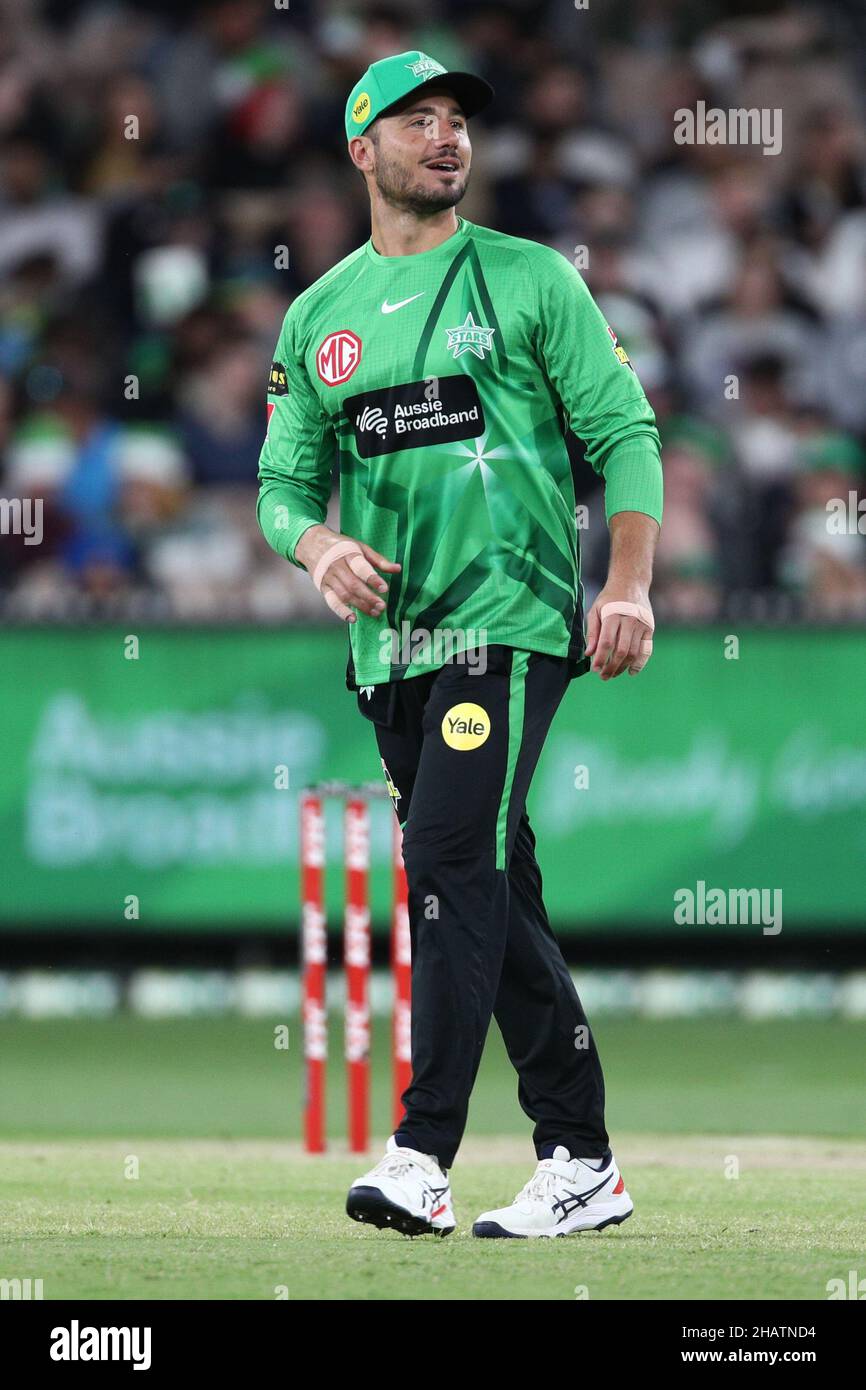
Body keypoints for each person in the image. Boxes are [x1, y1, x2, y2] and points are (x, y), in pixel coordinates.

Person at [257, 51, 662, 1239]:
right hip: (391, 651)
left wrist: (627, 584)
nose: (444, 137)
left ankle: (418, 1151)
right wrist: (316, 546)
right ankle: (580, 1158)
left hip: (509, 621)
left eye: (455, 122)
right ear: (360, 149)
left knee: (440, 855)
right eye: (415, 120)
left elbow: (625, 433)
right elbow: (283, 482)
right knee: (491, 889)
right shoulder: (318, 314)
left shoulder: (532, 280)